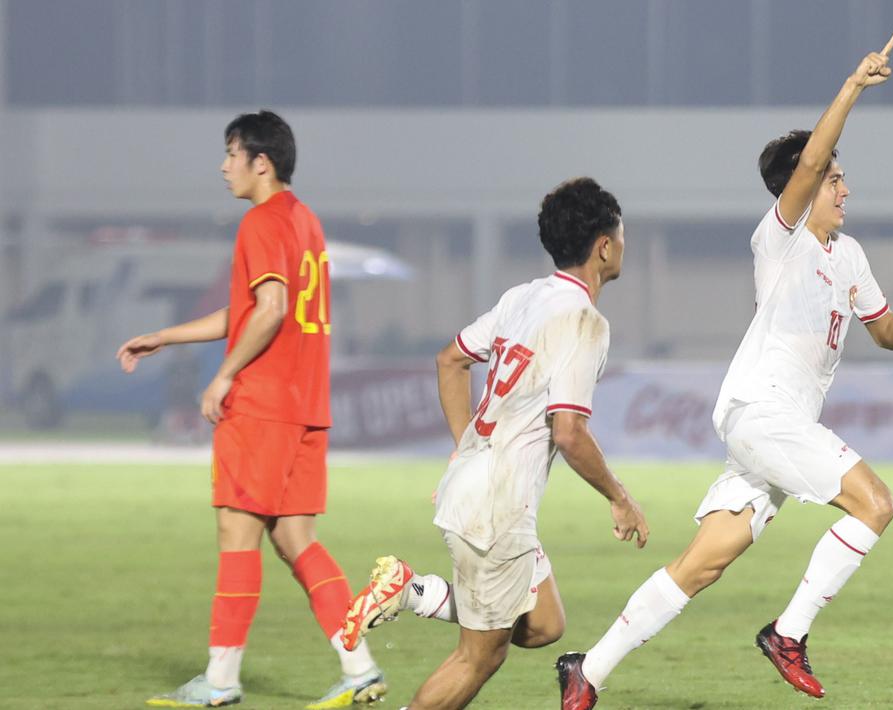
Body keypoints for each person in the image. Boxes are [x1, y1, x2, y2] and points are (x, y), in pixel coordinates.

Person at [558, 32, 893, 708]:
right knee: (875, 504)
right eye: (835, 177)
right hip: (762, 412)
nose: (844, 187)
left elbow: (879, 331)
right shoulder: (780, 238)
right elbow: (814, 154)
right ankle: (787, 634)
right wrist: (851, 86)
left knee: (701, 564)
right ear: (806, 184)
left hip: (773, 428)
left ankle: (588, 670)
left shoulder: (846, 256)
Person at [341, 177, 650, 710]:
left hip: (475, 486)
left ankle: (410, 590)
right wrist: (620, 497)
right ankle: (409, 592)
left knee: (544, 624)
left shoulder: (523, 297)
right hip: (497, 507)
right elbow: (569, 433)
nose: (623, 245)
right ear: (604, 244)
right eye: (621, 235)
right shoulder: (583, 321)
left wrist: (467, 447)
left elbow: (450, 359)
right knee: (480, 656)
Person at [119, 110, 385, 709]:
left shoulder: (261, 222)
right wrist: (165, 336)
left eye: (231, 153)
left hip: (263, 405)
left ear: (260, 162)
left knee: (237, 536)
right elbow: (250, 310)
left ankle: (218, 682)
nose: (223, 166)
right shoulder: (306, 222)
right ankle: (360, 666)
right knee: (296, 539)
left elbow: (268, 309)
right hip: (306, 405)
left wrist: (223, 376)